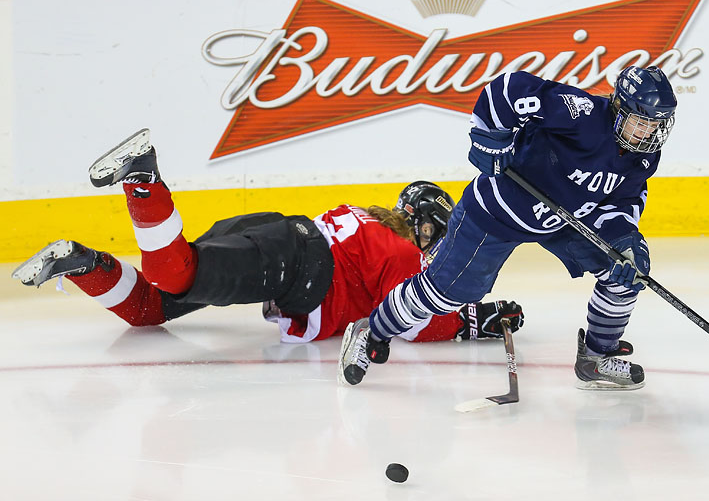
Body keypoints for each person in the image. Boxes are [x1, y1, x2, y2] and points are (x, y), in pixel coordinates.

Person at [12, 129, 524, 344]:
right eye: (433, 230)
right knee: (173, 273)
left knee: (151, 307)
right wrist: (472, 320)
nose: (433, 245)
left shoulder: (362, 222)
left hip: (279, 237)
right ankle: (143, 178)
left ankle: (79, 262)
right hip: (294, 260)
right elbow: (418, 321)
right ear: (417, 221)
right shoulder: (397, 250)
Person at [339, 66, 677, 390]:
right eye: (641, 122)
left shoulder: (644, 156)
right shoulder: (583, 113)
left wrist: (626, 243)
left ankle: (597, 356)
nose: (649, 133)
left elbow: (622, 201)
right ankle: (372, 330)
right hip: (495, 213)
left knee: (626, 274)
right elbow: (507, 90)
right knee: (446, 292)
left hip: (562, 221)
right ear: (618, 108)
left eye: (657, 125)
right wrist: (489, 138)